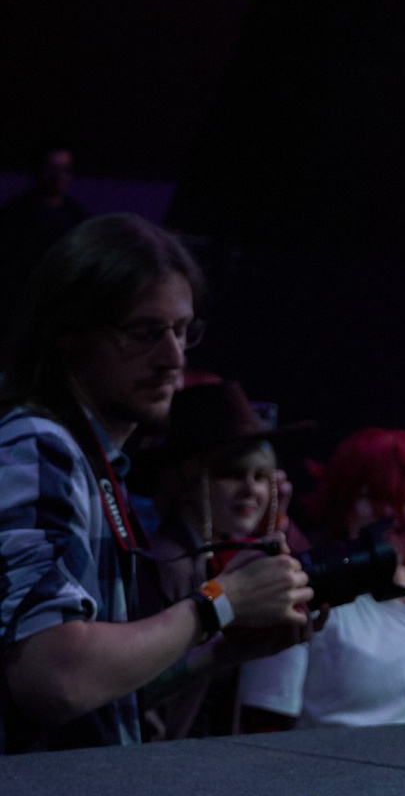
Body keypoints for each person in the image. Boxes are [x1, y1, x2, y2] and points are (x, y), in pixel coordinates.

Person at [0, 216, 311, 751]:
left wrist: (221, 653)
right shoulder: (39, 444)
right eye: (144, 333)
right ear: (69, 334)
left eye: (182, 331)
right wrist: (220, 601)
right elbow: (57, 678)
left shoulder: (91, 460)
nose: (174, 359)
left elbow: (103, 701)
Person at [238, 427, 405, 730]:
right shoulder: (303, 586)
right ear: (344, 505)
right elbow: (265, 722)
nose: (389, 512)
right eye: (372, 497)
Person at [140, 377, 306, 740]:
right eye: (231, 473)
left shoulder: (220, 558)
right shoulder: (167, 563)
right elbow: (143, 693)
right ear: (186, 479)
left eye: (261, 476)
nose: (251, 490)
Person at [0, 146, 84, 317]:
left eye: (65, 170)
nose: (58, 176)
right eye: (52, 168)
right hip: (21, 304)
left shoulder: (77, 217)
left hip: (61, 305)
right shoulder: (13, 216)